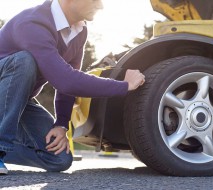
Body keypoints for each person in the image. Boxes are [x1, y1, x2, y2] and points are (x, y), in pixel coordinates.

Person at [0, 0, 145, 175]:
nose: (100, 6)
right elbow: (66, 80)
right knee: (24, 61)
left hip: (18, 100)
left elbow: (69, 81)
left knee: (58, 158)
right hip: (5, 92)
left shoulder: (79, 31)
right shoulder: (32, 24)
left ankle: (4, 149)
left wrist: (61, 124)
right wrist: (124, 86)